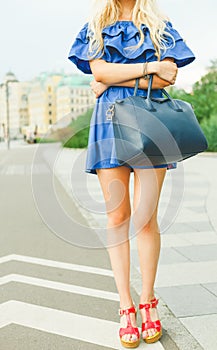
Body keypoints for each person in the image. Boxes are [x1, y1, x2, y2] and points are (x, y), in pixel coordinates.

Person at [68, 0, 195, 347]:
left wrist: (114, 77)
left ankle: (148, 301)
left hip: (152, 123)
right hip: (109, 122)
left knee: (145, 218)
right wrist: (147, 67)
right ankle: (126, 306)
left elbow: (167, 76)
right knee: (117, 216)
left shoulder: (160, 25)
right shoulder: (96, 26)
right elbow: (100, 73)